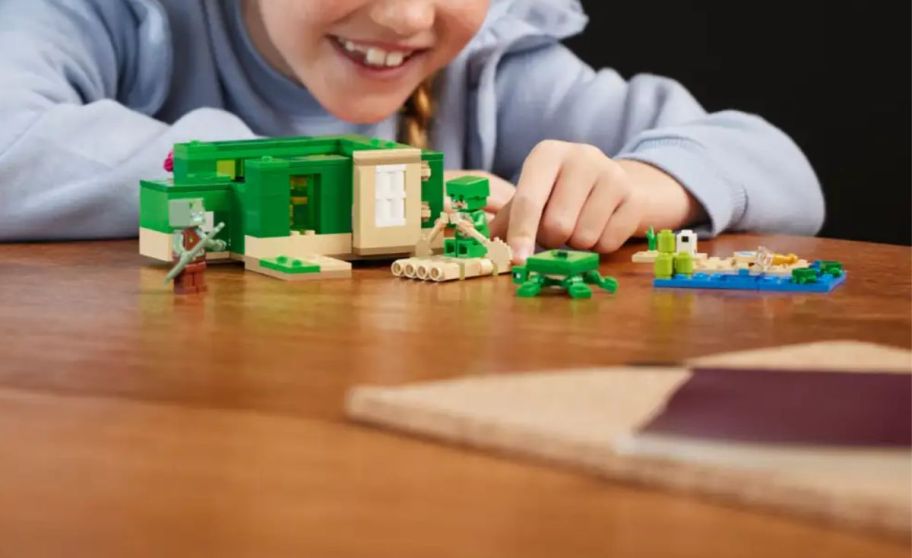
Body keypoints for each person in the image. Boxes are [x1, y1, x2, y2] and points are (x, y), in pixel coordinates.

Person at [0, 0, 824, 263]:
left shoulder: (491, 70)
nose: (405, 16)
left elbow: (781, 169)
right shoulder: (116, 20)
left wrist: (648, 185)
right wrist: (246, 169)